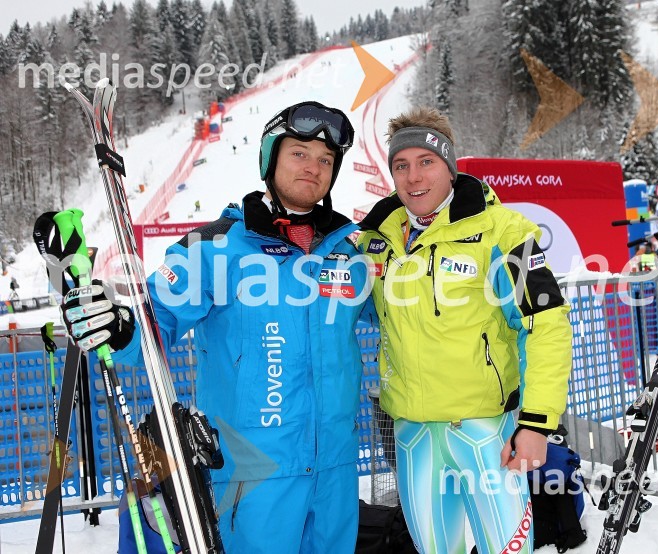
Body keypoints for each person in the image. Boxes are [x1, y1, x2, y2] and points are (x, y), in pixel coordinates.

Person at [61, 101, 374, 553]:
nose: (314, 167)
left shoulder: (350, 253)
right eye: (299, 153)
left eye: (326, 160)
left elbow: (402, 319)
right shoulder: (216, 247)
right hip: (253, 471)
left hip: (336, 474)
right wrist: (120, 324)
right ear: (270, 158)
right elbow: (155, 326)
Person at [357, 107, 573, 553]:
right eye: (401, 165)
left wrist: (536, 423)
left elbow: (546, 323)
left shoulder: (505, 232)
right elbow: (350, 311)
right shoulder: (374, 240)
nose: (413, 177)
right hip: (413, 433)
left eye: (426, 162)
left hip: (485, 431)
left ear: (450, 168)